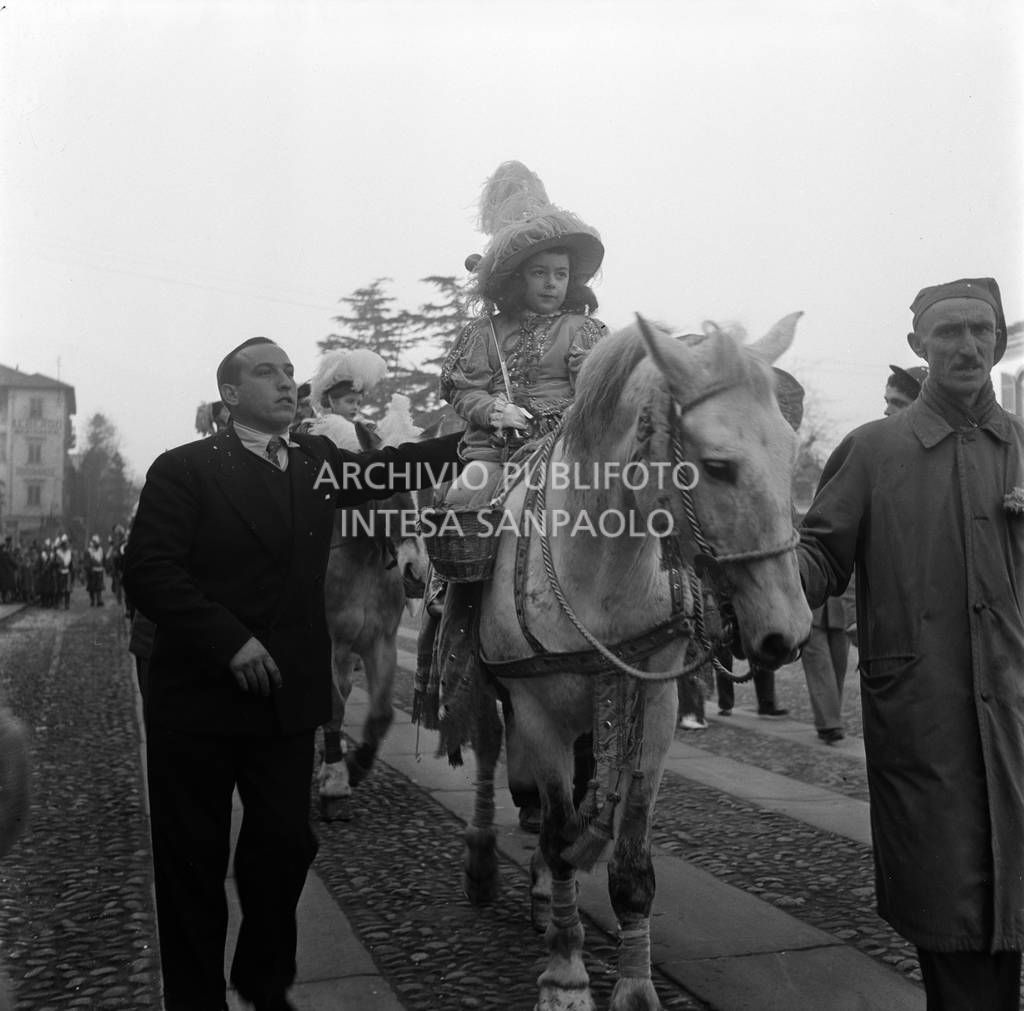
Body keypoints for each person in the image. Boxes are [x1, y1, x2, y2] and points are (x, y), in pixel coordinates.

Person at [123, 336, 461, 1011]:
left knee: (285, 842)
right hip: (199, 699)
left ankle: (262, 976)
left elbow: (391, 468)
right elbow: (149, 570)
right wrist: (231, 642)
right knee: (191, 860)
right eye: (265, 372)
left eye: (289, 372)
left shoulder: (318, 463)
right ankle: (195, 999)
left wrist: (465, 441)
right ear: (229, 394)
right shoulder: (184, 468)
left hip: (285, 699)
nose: (288, 383)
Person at [799, 277, 1023, 1009]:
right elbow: (819, 561)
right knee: (952, 922)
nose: (967, 345)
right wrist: (748, 576)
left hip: (1019, 721)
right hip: (928, 727)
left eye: (981, 330)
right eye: (948, 332)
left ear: (999, 339)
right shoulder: (872, 450)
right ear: (917, 347)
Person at [428, 161, 607, 831]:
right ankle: (463, 625)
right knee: (466, 502)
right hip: (497, 452)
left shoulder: (587, 331)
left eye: (561, 274)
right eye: (540, 274)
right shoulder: (482, 336)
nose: (552, 285)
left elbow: (600, 388)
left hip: (568, 450)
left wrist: (578, 414)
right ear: (515, 279)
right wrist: (490, 408)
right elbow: (460, 388)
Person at [85, 534, 105, 607]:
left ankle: (99, 600)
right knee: (91, 587)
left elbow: (103, 559)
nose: (97, 544)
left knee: (99, 587)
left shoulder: (101, 549)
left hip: (99, 571)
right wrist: (89, 570)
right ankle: (92, 600)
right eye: (95, 543)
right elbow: (87, 562)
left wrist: (103, 566)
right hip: (92, 571)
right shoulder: (89, 551)